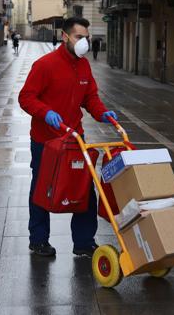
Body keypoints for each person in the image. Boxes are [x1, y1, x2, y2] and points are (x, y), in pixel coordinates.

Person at [18, 17, 118, 257]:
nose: (84, 42)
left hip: (75, 139)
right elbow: (26, 97)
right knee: (43, 190)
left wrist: (103, 113)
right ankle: (39, 239)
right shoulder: (45, 65)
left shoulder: (84, 66)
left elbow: (90, 98)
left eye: (86, 37)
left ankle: (84, 241)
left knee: (84, 188)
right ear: (65, 37)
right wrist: (46, 112)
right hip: (46, 141)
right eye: (79, 37)